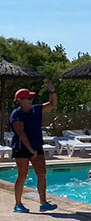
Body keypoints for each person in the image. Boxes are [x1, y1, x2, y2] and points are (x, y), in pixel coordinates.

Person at [10, 80, 58, 213]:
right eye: (28, 98)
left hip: (37, 145)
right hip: (21, 147)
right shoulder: (16, 114)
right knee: (22, 175)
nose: (31, 100)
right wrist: (30, 150)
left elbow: (52, 105)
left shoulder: (36, 109)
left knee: (42, 173)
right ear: (19, 100)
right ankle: (18, 204)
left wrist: (52, 91)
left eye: (31, 98)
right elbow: (21, 134)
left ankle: (43, 203)